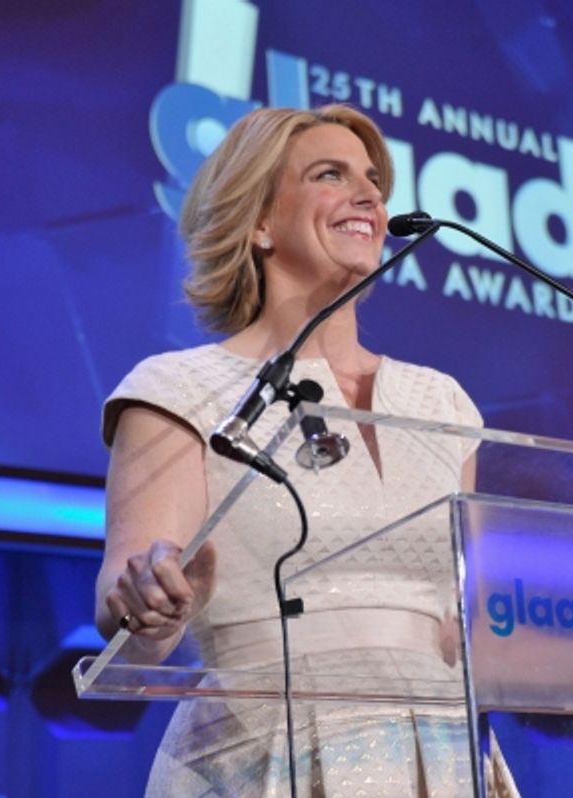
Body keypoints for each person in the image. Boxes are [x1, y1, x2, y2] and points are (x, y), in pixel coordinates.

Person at [94, 104, 513, 796]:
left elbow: (460, 624)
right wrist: (152, 599)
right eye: (331, 174)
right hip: (267, 755)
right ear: (258, 222)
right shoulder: (180, 390)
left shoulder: (443, 403)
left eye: (374, 180)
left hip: (443, 758)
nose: (370, 196)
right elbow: (125, 595)